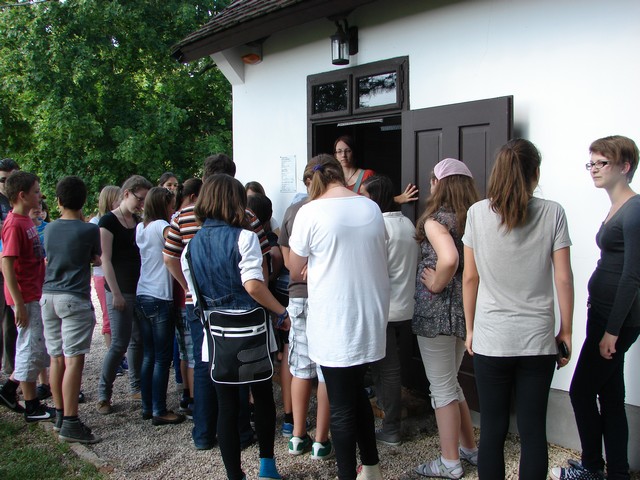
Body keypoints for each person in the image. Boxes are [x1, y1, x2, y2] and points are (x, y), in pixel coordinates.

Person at [462, 138, 574, 480]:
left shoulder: (477, 214)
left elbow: (470, 277)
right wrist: (566, 330)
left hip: (491, 338)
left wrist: (470, 329)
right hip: (537, 340)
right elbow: (563, 277)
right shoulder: (553, 212)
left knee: (492, 430)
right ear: (535, 173)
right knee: (533, 430)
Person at [181, 174, 289, 480]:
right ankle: (267, 468)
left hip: (216, 336)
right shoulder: (245, 237)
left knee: (226, 406)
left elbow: (195, 295)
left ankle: (234, 475)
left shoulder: (191, 246)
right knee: (262, 398)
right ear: (235, 201)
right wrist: (281, 311)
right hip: (251, 332)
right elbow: (253, 285)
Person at [289, 155, 390, 480]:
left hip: (335, 320)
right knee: (356, 392)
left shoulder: (310, 212)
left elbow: (294, 269)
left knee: (342, 406)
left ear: (312, 182)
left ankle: (347, 474)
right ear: (340, 176)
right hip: (370, 315)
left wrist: (313, 264)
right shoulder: (370, 207)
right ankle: (371, 467)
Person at [163, 153, 271, 451]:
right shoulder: (246, 216)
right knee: (238, 367)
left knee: (205, 364)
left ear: (204, 177)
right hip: (242, 303)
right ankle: (240, 431)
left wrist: (189, 287)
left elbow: (170, 257)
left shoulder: (182, 216)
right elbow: (262, 263)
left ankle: (203, 432)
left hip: (198, 302)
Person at [551, 136, 640, 480]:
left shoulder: (634, 210)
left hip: (616, 321)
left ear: (625, 166)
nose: (594, 169)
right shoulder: (619, 206)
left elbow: (632, 276)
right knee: (611, 395)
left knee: (581, 390)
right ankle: (616, 471)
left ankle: (591, 467)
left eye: (602, 163)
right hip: (603, 314)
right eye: (591, 163)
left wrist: (612, 332)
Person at [409, 160, 479, 478]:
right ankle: (469, 449)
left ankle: (450, 463)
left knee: (442, 388)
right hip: (463, 312)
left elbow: (448, 259)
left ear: (439, 184)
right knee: (451, 383)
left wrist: (436, 283)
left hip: (436, 316)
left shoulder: (435, 221)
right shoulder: (474, 220)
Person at [278, 156, 333, 459]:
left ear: (306, 181)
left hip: (298, 294)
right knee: (325, 369)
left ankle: (297, 436)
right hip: (327, 295)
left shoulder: (293, 211)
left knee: (300, 367)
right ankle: (321, 441)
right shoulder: (334, 208)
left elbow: (289, 263)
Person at [359, 174, 419, 449]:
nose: (361, 200)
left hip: (383, 308)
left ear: (376, 198)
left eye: (364, 195)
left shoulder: (379, 227)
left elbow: (370, 270)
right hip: (404, 305)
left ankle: (391, 427)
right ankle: (388, 418)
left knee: (387, 369)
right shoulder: (406, 223)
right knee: (385, 366)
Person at [40, 176, 101, 443]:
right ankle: (72, 422)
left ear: (58, 200)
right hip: (73, 297)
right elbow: (96, 258)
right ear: (83, 201)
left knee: (56, 358)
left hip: (48, 296)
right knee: (74, 360)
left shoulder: (50, 229)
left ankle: (60, 415)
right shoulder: (89, 230)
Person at [0, 171, 54, 422]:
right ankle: (31, 406)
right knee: (29, 348)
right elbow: (7, 265)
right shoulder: (14, 224)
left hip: (34, 292)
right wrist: (19, 302)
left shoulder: (26, 221)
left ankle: (10, 391)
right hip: (26, 296)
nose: (39, 196)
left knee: (34, 347)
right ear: (22, 195)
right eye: (36, 191)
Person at [97, 175, 152, 414]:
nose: (142, 204)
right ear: (127, 193)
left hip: (139, 288)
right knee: (119, 343)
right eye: (140, 199)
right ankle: (103, 394)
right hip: (119, 289)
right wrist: (116, 293)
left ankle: (135, 386)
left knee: (137, 340)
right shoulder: (108, 221)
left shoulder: (138, 221)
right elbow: (105, 260)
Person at [135, 187, 184, 425]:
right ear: (163, 205)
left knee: (149, 354)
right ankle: (159, 409)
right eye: (171, 205)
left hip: (142, 292)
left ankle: (148, 405)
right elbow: (177, 244)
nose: (173, 210)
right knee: (162, 358)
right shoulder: (161, 226)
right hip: (160, 296)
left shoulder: (141, 228)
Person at [333, 135, 418, 203]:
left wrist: (399, 199)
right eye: (339, 151)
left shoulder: (367, 174)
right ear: (335, 155)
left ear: (354, 153)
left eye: (348, 151)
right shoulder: (333, 178)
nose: (343, 155)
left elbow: (379, 200)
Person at [89, 186, 121, 354]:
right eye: (118, 199)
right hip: (102, 275)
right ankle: (112, 355)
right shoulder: (96, 222)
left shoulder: (121, 219)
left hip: (118, 273)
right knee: (108, 316)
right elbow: (94, 254)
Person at [0, 158, 19, 378]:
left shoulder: (18, 200)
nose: (6, 184)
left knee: (12, 322)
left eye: (10, 179)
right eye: (3, 180)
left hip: (16, 266)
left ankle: (12, 370)